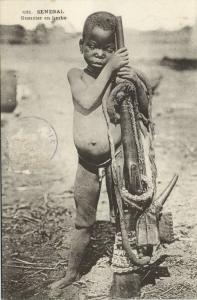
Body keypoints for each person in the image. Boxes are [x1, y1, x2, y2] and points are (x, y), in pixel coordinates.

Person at [49, 11, 149, 292]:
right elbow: (86, 99)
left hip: (116, 160)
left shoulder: (118, 79)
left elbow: (142, 109)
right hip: (88, 164)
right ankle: (71, 272)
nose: (99, 54)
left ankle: (127, 266)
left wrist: (134, 81)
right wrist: (111, 68)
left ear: (115, 50)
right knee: (84, 222)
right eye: (92, 47)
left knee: (124, 218)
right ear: (81, 46)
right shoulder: (76, 76)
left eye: (107, 49)